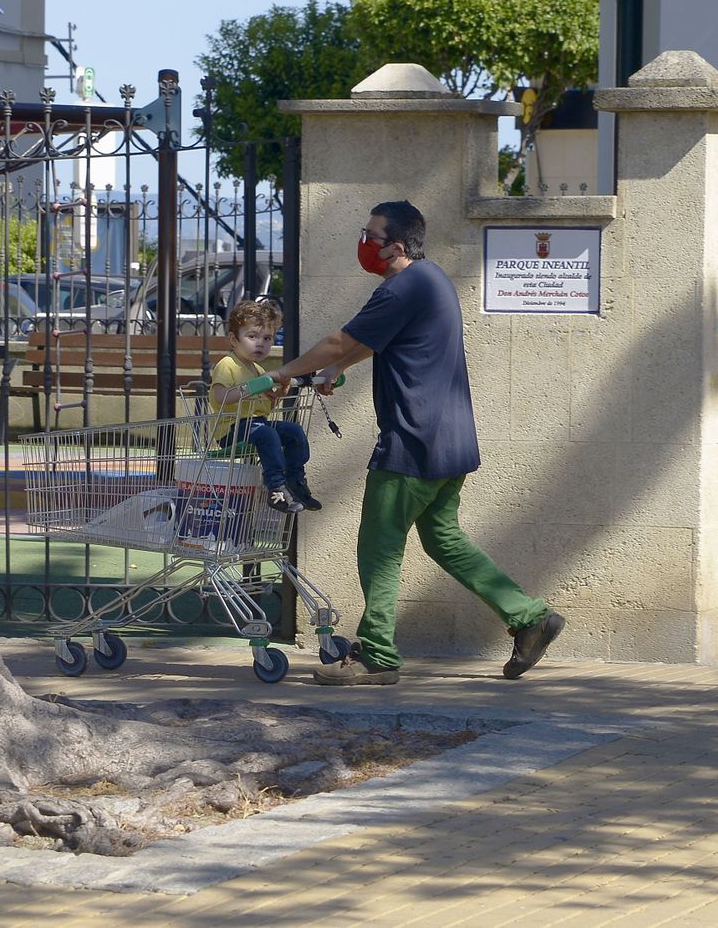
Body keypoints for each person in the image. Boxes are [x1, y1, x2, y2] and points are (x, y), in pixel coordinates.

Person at [266, 200, 564, 684]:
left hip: (412, 441)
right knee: (443, 539)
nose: (363, 242)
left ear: (396, 246)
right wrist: (339, 369)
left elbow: (341, 339)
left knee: (379, 546)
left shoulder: (402, 286)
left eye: (370, 235)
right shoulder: (430, 280)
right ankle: (529, 616)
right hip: (451, 443)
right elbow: (368, 342)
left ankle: (377, 655)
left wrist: (284, 371)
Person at [209, 299, 320, 514]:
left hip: (256, 425)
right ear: (234, 339)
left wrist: (277, 394)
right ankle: (276, 487)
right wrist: (249, 389)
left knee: (293, 431)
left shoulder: (259, 369)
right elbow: (220, 397)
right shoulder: (227, 364)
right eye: (252, 336)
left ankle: (295, 479)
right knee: (267, 434)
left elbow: (263, 407)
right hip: (231, 429)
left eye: (267, 338)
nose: (260, 343)